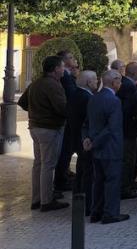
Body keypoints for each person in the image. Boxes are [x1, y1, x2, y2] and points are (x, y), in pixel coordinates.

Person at [24, 56, 69, 212]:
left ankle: (37, 199)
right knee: (48, 165)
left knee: (38, 164)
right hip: (49, 128)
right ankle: (46, 200)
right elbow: (62, 108)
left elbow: (23, 102)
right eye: (62, 67)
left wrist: (37, 111)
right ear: (55, 69)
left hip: (35, 127)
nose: (64, 70)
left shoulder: (36, 83)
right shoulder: (53, 85)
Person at [84, 70, 128, 224]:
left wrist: (87, 139)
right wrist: (95, 142)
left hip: (96, 149)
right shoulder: (114, 101)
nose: (121, 83)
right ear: (114, 81)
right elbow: (111, 128)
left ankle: (96, 212)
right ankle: (110, 213)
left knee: (98, 181)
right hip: (110, 147)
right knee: (112, 181)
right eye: (120, 80)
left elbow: (87, 123)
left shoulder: (93, 97)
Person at [69, 70, 98, 216]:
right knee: (87, 173)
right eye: (95, 79)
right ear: (88, 82)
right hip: (85, 140)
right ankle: (86, 205)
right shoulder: (88, 98)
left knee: (80, 171)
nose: (97, 82)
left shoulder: (74, 94)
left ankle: (78, 202)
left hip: (76, 138)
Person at [116, 60, 137, 199]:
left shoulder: (123, 83)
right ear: (136, 73)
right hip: (128, 130)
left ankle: (126, 185)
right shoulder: (130, 87)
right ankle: (125, 188)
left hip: (124, 129)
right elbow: (128, 111)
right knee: (128, 160)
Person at [54, 50, 79, 194]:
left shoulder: (68, 75)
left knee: (68, 149)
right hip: (67, 119)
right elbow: (72, 94)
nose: (74, 59)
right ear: (63, 61)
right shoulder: (65, 77)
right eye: (70, 57)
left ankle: (65, 173)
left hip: (67, 118)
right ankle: (61, 180)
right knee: (66, 149)